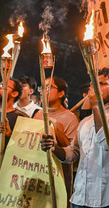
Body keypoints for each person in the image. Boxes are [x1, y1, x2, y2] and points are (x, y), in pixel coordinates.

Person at [41, 69, 109, 208]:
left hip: (106, 199)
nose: (95, 87)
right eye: (93, 84)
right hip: (79, 197)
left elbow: (106, 143)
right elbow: (72, 154)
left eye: (101, 83)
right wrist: (55, 148)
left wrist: (96, 105)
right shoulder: (86, 121)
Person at [34, 76, 79, 206]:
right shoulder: (37, 114)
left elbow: (72, 152)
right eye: (41, 87)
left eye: (48, 87)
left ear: (61, 93)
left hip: (59, 176)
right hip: (37, 172)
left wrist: (55, 129)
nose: (43, 91)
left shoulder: (70, 118)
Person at [0, 78, 27, 198]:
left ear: (14, 93)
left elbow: (27, 150)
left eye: (3, 86)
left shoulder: (22, 118)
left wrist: (11, 135)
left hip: (8, 177)